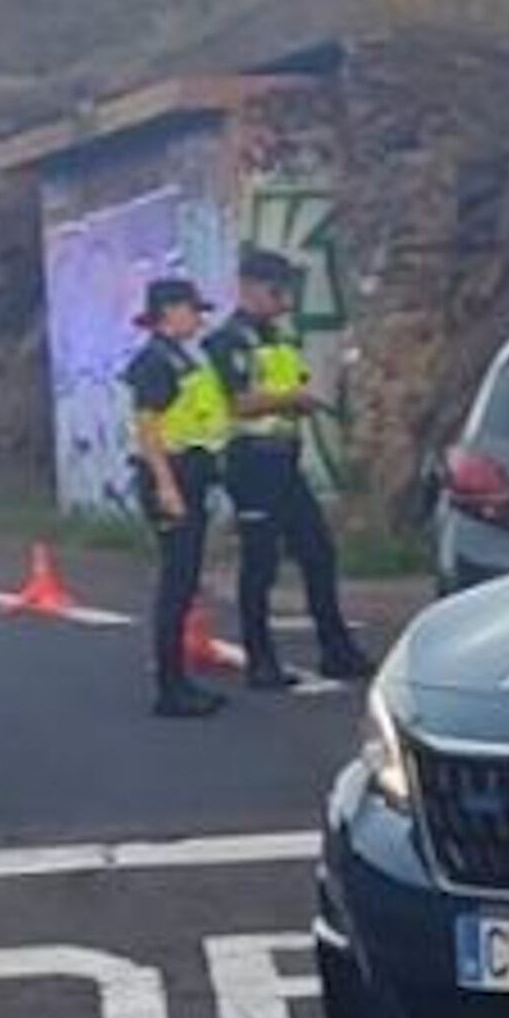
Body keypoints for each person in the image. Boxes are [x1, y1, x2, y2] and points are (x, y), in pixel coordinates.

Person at [204, 245, 374, 691]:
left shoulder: (278, 339)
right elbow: (237, 401)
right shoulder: (227, 341)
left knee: (318, 552)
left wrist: (296, 404)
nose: (286, 302)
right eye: (277, 292)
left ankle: (336, 649)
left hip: (284, 458)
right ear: (250, 288)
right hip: (251, 461)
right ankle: (260, 660)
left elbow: (282, 391)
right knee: (259, 562)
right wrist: (291, 401)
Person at [121, 276, 235, 719]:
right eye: (192, 309)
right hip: (171, 481)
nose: (199, 318)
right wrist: (167, 487)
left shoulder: (182, 357)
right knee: (176, 584)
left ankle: (180, 682)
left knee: (185, 583)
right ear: (169, 311)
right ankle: (170, 688)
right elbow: (148, 429)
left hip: (191, 478)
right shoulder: (155, 361)